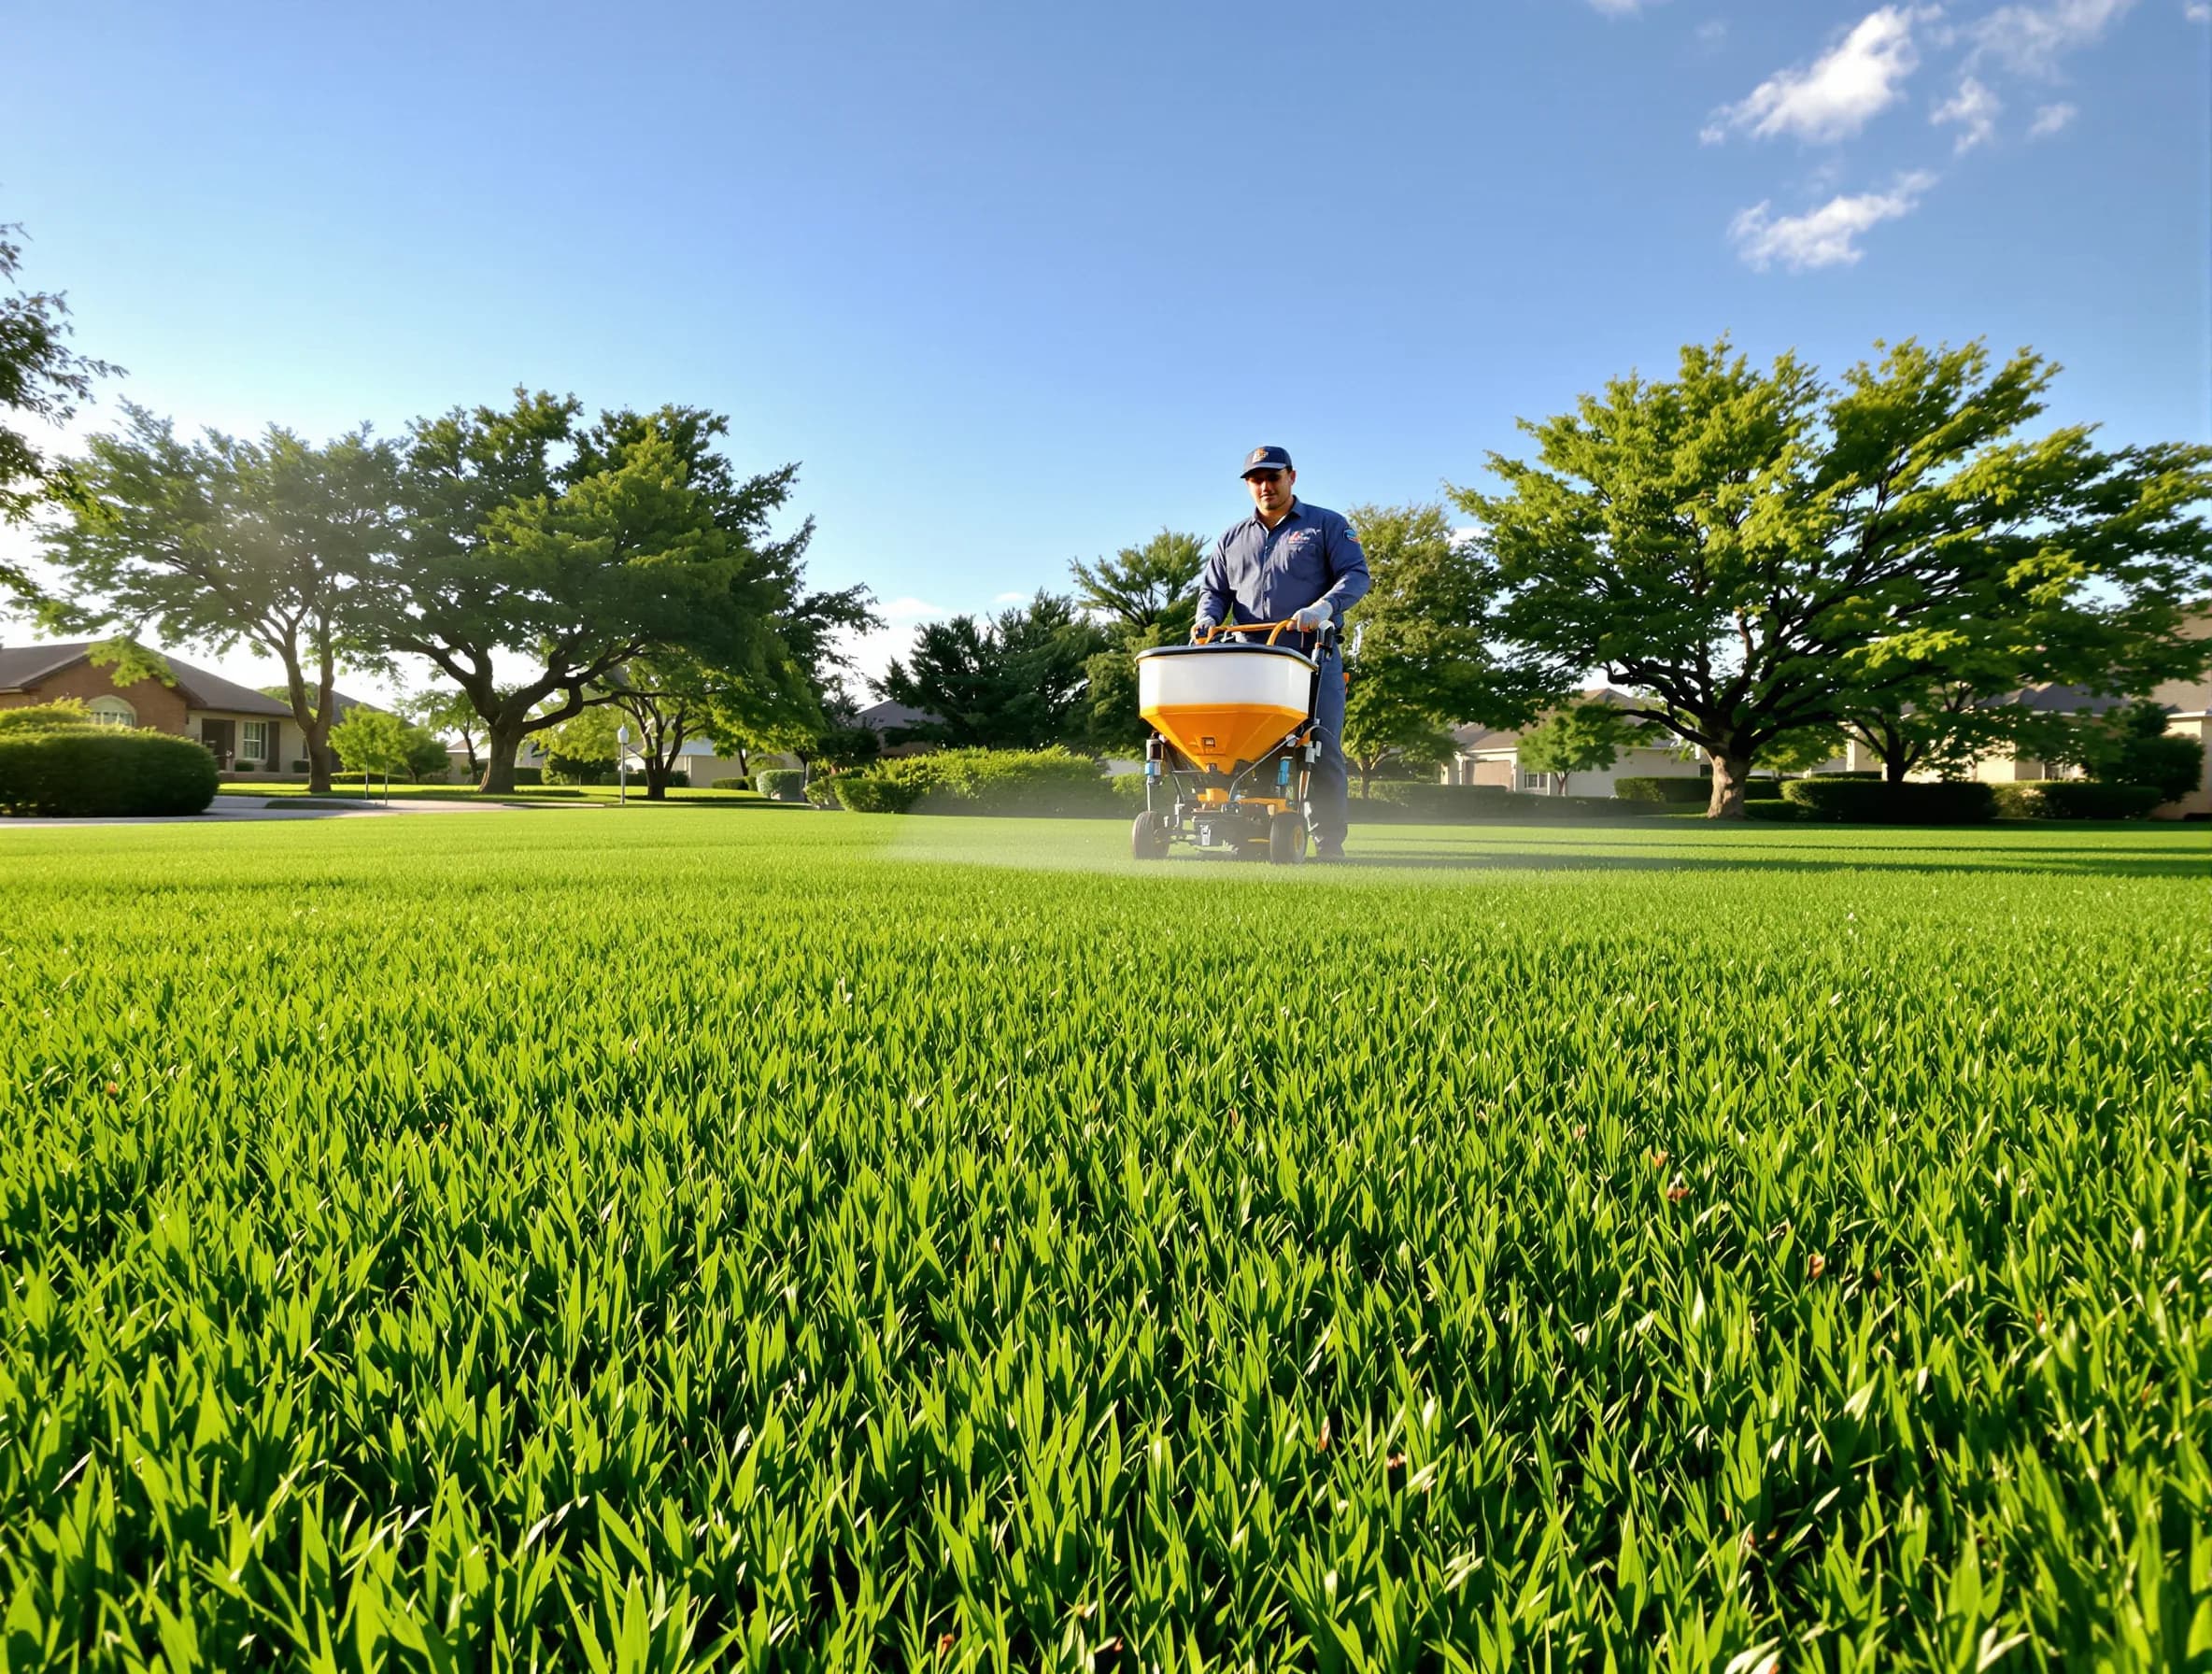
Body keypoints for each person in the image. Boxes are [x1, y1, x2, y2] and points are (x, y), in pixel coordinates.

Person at [1194, 445, 1370, 859]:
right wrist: (1206, 618)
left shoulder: (1326, 525)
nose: (1265, 486)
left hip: (1313, 656)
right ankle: (1253, 837)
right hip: (1252, 663)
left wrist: (1323, 608)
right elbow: (1214, 592)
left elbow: (1355, 575)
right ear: (1248, 486)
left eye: (1273, 477)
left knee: (1320, 745)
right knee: (1251, 751)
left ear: (1292, 477)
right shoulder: (1231, 539)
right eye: (1255, 480)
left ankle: (1328, 843)